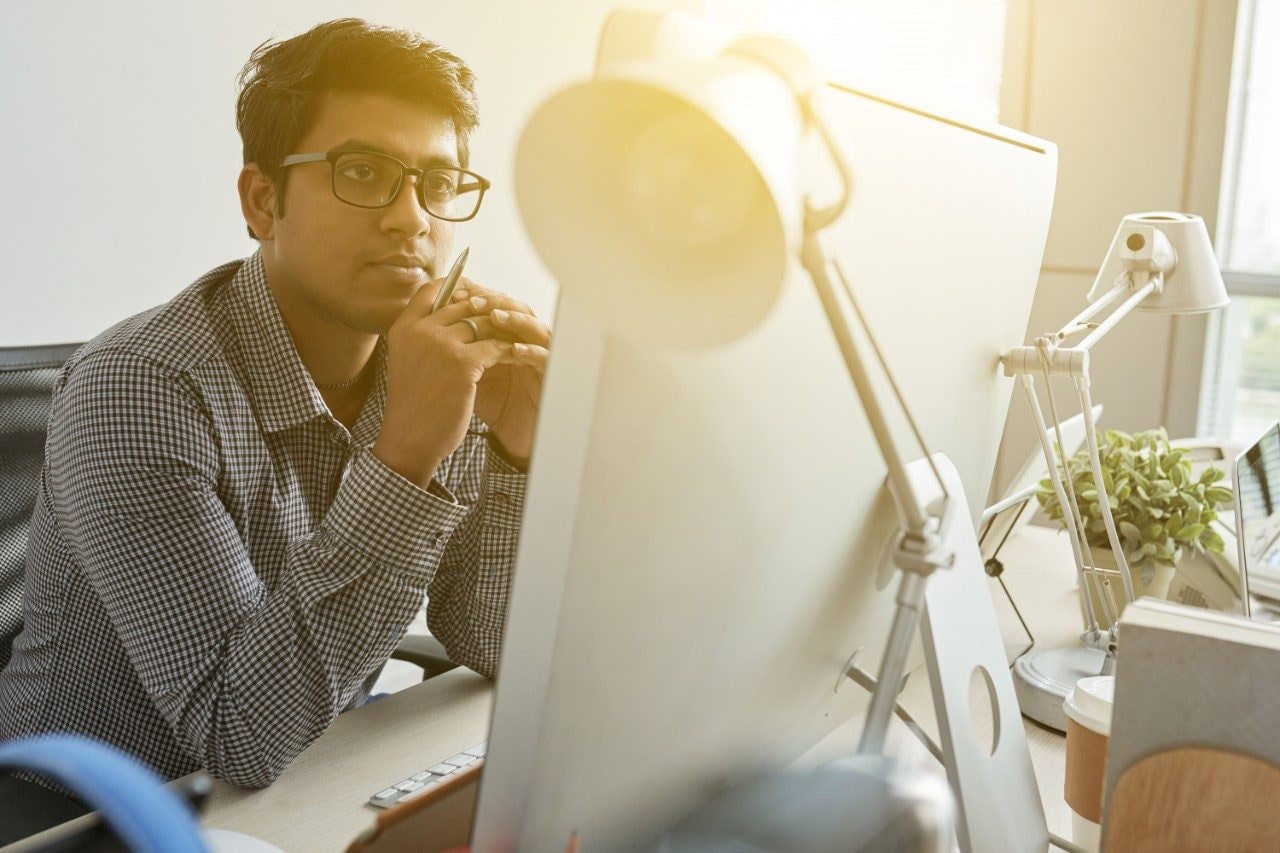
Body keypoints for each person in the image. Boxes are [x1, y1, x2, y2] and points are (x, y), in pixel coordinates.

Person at [0, 18, 548, 839]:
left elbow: (489, 635)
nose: (412, 220)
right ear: (263, 200)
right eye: (364, 172)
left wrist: (515, 450)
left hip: (315, 774)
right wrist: (407, 454)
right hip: (85, 814)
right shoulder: (140, 384)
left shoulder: (426, 359)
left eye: (439, 183)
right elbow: (239, 732)